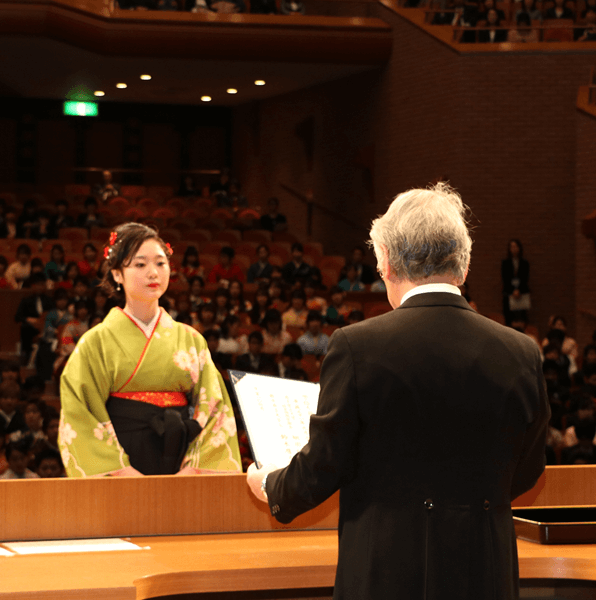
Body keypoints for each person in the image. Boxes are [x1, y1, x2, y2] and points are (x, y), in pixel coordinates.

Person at [247, 183, 549, 600]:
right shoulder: (522, 352)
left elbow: (324, 466)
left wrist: (270, 487)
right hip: (485, 570)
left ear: (385, 262)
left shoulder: (357, 345)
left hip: (386, 571)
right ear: (463, 267)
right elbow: (529, 469)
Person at [59, 222, 241, 477]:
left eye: (160, 263)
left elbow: (214, 408)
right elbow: (80, 411)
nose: (153, 272)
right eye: (140, 264)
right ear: (117, 274)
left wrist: (192, 470)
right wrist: (119, 470)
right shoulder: (96, 342)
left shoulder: (191, 339)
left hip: (182, 459)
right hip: (122, 459)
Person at [501, 238, 530, 323]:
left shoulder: (524, 263)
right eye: (512, 247)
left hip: (521, 293)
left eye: (515, 246)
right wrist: (513, 291)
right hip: (509, 292)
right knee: (509, 318)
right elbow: (505, 278)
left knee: (521, 317)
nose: (514, 249)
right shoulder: (505, 263)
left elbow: (525, 278)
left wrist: (518, 290)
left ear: (519, 248)